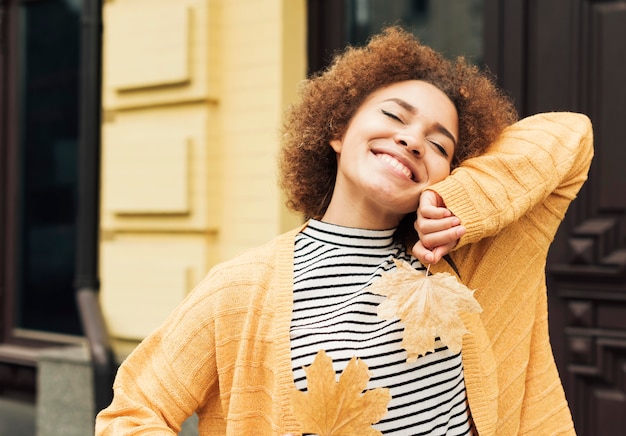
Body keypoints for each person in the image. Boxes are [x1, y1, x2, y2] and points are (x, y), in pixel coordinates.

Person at [95, 26, 593, 435]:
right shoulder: (241, 288)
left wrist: (458, 202)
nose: (412, 140)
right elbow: (133, 413)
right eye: (395, 117)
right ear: (337, 131)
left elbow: (572, 136)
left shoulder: (472, 259)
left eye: (440, 146)